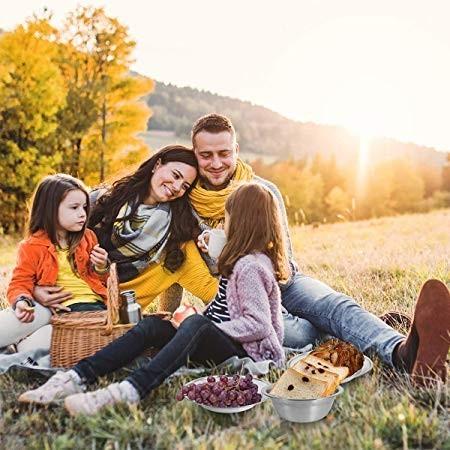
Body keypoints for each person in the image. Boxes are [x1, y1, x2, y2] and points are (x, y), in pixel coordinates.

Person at [188, 113, 450, 386]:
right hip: (241, 299)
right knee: (298, 335)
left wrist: (230, 251)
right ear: (194, 154)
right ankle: (357, 331)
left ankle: (402, 353)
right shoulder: (187, 205)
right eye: (206, 155)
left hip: (284, 281)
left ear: (236, 151)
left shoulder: (264, 191)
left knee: (334, 305)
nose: (216, 163)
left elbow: (282, 262)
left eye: (224, 153)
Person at [18, 182, 287, 415]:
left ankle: (129, 390)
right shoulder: (240, 261)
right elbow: (223, 309)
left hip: (245, 351)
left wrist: (201, 327)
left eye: (226, 217)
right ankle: (75, 377)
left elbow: (258, 325)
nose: (223, 224)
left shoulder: (251, 266)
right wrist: (191, 323)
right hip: (222, 339)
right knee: (152, 326)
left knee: (195, 326)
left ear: (241, 221)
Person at [32, 145, 219, 311]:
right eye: (175, 175)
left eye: (185, 186)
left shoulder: (177, 235)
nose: (177, 187)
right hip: (62, 293)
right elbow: (43, 242)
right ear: (157, 165)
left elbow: (212, 287)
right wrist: (34, 287)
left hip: (106, 316)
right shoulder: (102, 199)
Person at [0, 174, 109, 353]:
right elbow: (20, 282)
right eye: (74, 208)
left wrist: (101, 266)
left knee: (31, 351)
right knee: (8, 326)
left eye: (84, 207)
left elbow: (102, 280)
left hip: (87, 309)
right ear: (50, 209)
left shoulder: (88, 237)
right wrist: (21, 301)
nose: (82, 214)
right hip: (46, 308)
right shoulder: (31, 246)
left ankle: (19, 345)